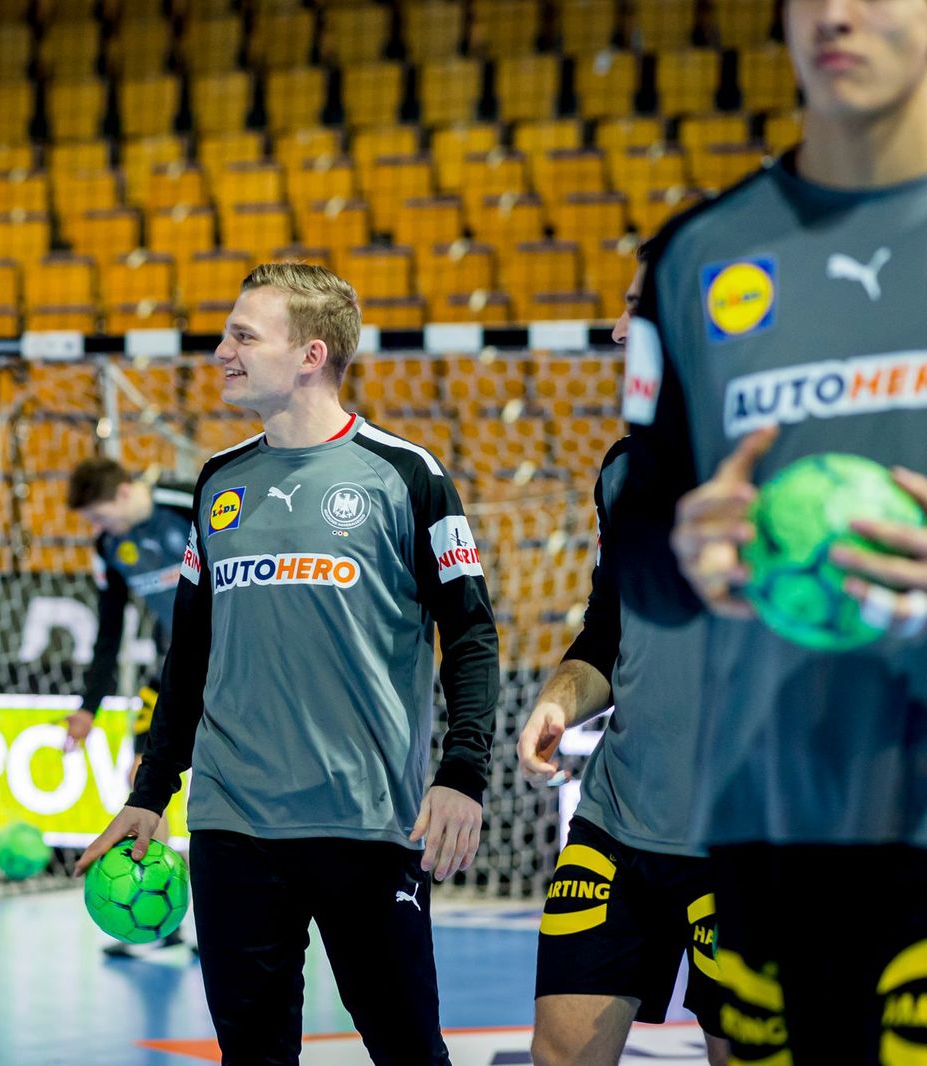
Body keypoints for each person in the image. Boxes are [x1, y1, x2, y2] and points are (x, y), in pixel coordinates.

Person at [79, 263, 500, 1064]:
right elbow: (190, 654)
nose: (220, 351)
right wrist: (150, 792)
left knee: (410, 1050)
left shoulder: (408, 477)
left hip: (369, 822)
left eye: (243, 335)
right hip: (234, 827)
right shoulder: (217, 485)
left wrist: (463, 774)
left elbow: (472, 636)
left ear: (310, 355)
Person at [611, 0, 927, 1055]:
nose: (837, 13)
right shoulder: (696, 258)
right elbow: (639, 544)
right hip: (770, 821)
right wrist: (684, 553)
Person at [516, 257, 728, 1066]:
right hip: (618, 819)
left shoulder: (806, 467)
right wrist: (562, 700)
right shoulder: (624, 468)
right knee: (561, 1055)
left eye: (636, 308)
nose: (614, 328)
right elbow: (608, 629)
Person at [65, 458, 197, 955]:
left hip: (234, 665)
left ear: (124, 493)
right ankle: (157, 916)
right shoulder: (109, 549)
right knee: (141, 777)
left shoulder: (189, 502)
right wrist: (88, 707)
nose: (98, 529)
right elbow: (110, 632)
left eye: (100, 516)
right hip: (171, 672)